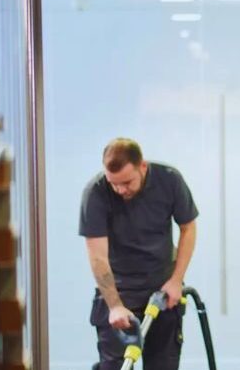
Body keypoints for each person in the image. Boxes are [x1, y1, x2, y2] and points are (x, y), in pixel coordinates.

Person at [80, 138, 198, 370]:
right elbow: (97, 256)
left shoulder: (170, 180)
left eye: (126, 182)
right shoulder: (95, 192)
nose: (120, 190)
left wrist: (176, 281)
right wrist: (114, 305)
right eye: (114, 184)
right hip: (118, 294)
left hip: (163, 293)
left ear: (142, 166)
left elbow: (188, 228)